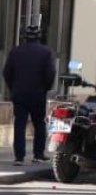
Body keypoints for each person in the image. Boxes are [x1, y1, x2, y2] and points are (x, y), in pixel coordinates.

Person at [2, 26, 56, 166]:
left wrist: (12, 87)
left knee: (19, 124)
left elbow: (7, 72)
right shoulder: (46, 52)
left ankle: (19, 157)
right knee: (39, 123)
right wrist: (46, 87)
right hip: (38, 93)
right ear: (39, 37)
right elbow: (50, 73)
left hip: (19, 93)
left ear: (24, 38)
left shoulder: (15, 52)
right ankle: (38, 154)